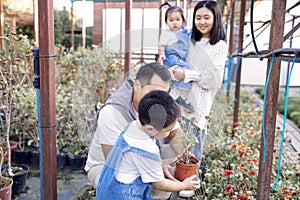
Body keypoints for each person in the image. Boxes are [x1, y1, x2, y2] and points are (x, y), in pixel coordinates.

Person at [85, 62, 183, 199]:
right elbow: (115, 163)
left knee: (168, 169)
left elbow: (177, 135)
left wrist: (182, 162)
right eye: (153, 91)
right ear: (137, 85)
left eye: (163, 93)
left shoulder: (159, 102)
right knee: (130, 189)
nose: (158, 98)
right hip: (106, 166)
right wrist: (157, 167)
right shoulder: (112, 112)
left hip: (144, 154)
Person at [96, 90, 200, 200]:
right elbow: (160, 184)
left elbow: (135, 160)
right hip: (123, 195)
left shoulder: (133, 126)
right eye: (168, 130)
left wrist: (161, 164)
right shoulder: (148, 149)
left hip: (107, 188)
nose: (169, 134)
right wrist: (185, 185)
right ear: (150, 128)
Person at [171, 0, 228, 165]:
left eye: (206, 17)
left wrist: (187, 74)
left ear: (215, 18)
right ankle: (172, 182)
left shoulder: (219, 46)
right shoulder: (188, 40)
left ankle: (191, 182)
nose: (202, 22)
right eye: (198, 18)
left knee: (193, 146)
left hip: (199, 103)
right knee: (173, 143)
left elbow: (212, 79)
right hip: (177, 98)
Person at [157, 4, 194, 111]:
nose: (174, 22)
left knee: (186, 77)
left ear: (183, 20)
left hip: (182, 59)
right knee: (186, 70)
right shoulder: (166, 33)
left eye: (177, 19)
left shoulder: (186, 32)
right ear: (167, 22)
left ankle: (183, 98)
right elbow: (162, 46)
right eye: (171, 20)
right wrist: (162, 54)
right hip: (171, 57)